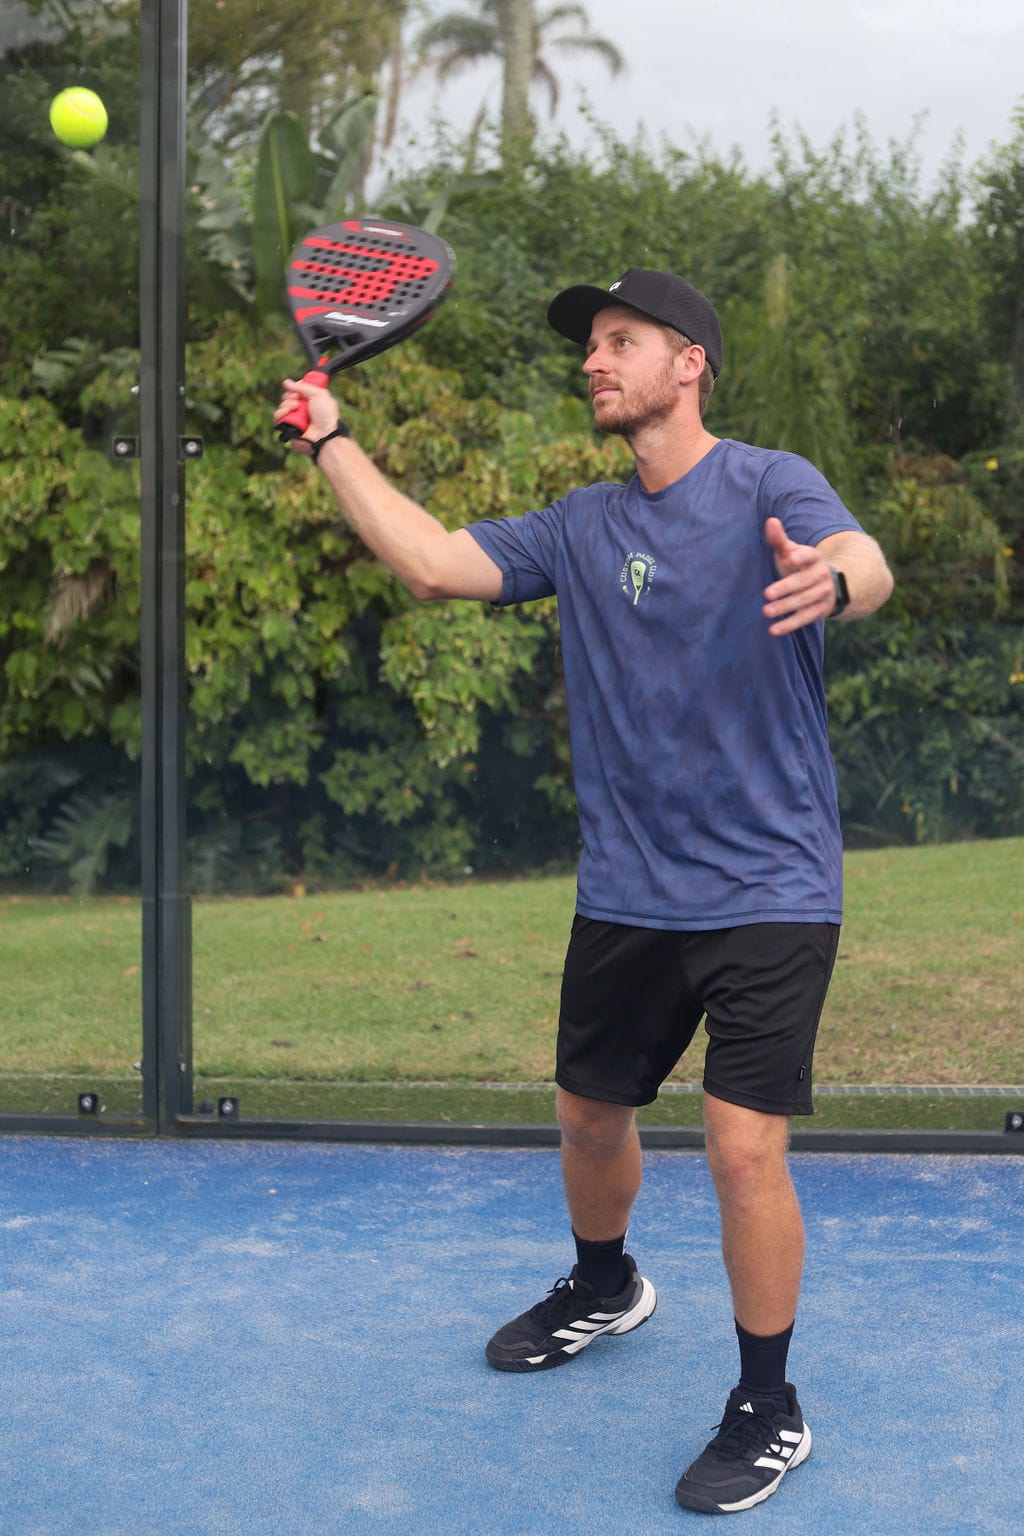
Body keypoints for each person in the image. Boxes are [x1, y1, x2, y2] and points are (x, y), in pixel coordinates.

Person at [275, 266, 894, 1516]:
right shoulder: (578, 525)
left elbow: (858, 555)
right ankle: (604, 1283)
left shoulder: (766, 481)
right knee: (588, 1118)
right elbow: (436, 565)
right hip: (628, 889)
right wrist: (331, 442)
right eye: (592, 346)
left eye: (624, 341)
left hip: (770, 882)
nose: (596, 361)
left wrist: (834, 580)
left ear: (690, 363)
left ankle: (768, 1407)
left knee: (738, 1145)